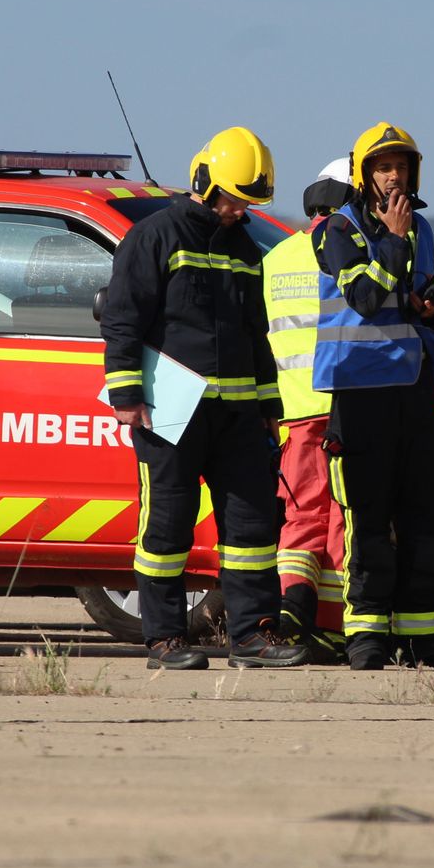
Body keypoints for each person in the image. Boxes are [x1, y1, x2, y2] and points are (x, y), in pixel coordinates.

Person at [101, 128, 308, 671]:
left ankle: (252, 635)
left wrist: (269, 410)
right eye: (234, 200)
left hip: (237, 416)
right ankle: (164, 639)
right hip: (169, 415)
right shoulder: (154, 238)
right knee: (167, 525)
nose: (240, 212)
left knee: (252, 529)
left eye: (247, 203)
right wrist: (125, 390)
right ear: (203, 183)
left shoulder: (243, 247)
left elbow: (255, 332)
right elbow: (124, 319)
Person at [313, 123, 434, 671]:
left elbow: (412, 296)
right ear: (363, 174)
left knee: (429, 515)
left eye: (401, 166)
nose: (393, 176)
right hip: (360, 388)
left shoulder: (420, 225)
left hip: (414, 388)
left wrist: (431, 307)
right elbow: (367, 297)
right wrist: (393, 242)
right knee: (368, 517)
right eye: (382, 166)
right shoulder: (335, 229)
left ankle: (427, 635)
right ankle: (367, 634)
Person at [262, 158, 354, 664]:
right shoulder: (345, 251)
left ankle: (292, 606)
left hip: (295, 408)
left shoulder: (276, 257)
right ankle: (331, 624)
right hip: (344, 402)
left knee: (301, 516)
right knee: (343, 516)